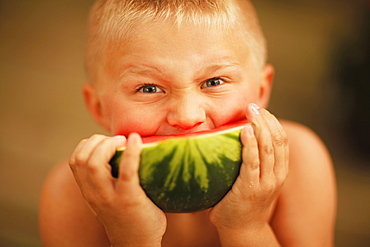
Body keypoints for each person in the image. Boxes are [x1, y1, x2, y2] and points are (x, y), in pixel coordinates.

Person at [39, 0, 337, 246]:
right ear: (99, 108)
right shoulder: (70, 196)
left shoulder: (301, 162)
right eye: (149, 88)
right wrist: (133, 240)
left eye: (214, 81)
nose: (187, 116)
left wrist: (246, 226)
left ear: (262, 89)